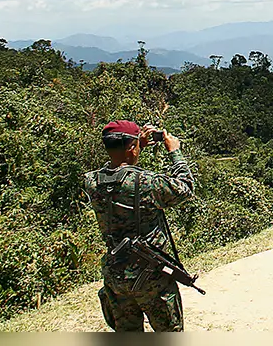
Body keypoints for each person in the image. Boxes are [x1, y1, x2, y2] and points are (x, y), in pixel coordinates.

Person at [83, 120, 195, 332]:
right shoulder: (146, 182)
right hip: (150, 276)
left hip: (115, 277)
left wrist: (135, 146)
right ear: (130, 147)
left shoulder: (91, 182)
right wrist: (175, 153)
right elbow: (186, 188)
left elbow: (118, 172)